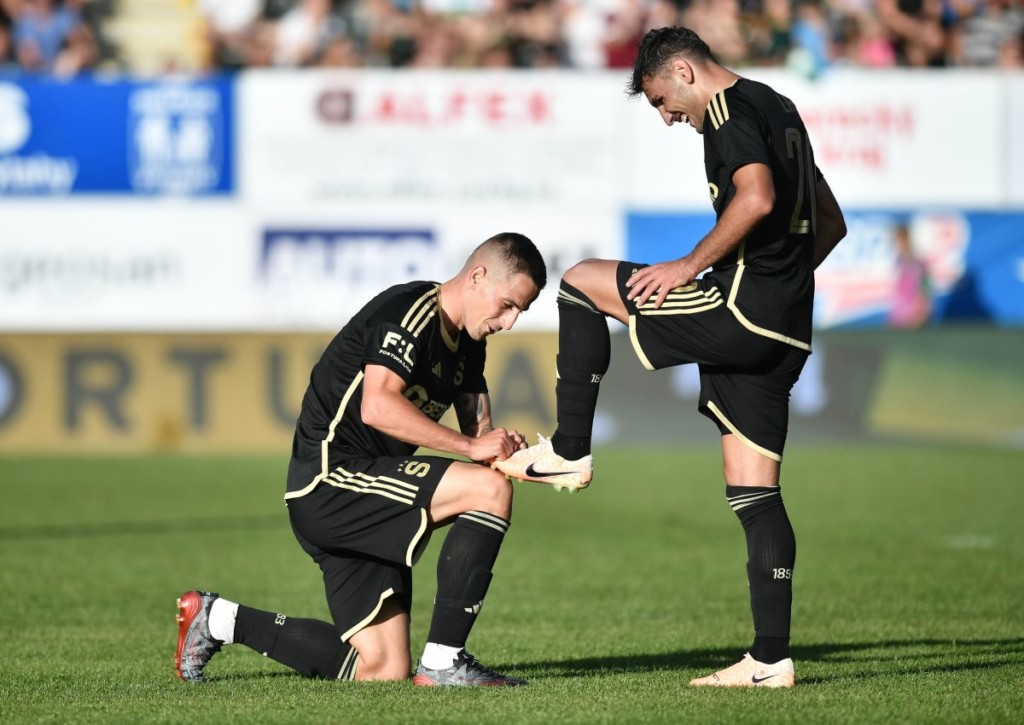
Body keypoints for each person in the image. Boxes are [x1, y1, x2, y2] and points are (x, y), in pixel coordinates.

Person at [494, 26, 847, 688]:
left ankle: (570, 447)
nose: (665, 116)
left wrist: (690, 265)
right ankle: (771, 659)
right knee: (754, 491)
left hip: (742, 312)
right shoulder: (778, 105)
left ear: (684, 70)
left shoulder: (729, 113)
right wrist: (783, 287)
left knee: (579, 282)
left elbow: (759, 197)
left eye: (661, 99)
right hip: (786, 328)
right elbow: (830, 221)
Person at [176, 232, 546, 687]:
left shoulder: (468, 343)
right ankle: (445, 661)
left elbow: (480, 433)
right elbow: (378, 406)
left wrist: (529, 460)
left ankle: (219, 619)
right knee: (488, 491)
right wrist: (474, 451)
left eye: (520, 313)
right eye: (508, 305)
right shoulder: (410, 313)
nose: (509, 322)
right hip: (331, 483)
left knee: (382, 670)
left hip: (366, 497)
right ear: (477, 275)